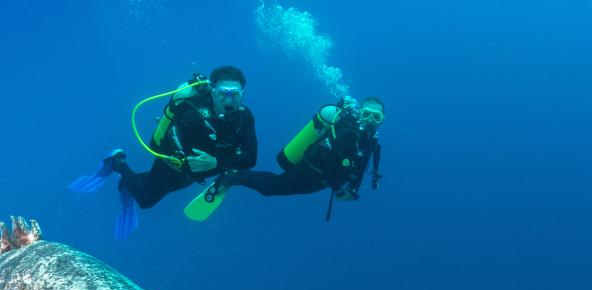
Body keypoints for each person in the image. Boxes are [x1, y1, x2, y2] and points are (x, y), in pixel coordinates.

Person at [70, 66, 258, 238]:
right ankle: (117, 162)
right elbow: (171, 139)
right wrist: (189, 160)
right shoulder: (193, 115)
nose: (229, 100)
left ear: (243, 92)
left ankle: (133, 181)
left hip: (199, 170)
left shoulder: (245, 117)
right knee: (146, 200)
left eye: (235, 94)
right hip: (173, 165)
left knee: (171, 183)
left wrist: (217, 163)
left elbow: (251, 158)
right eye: (222, 94)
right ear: (211, 90)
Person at [207, 96, 384, 220]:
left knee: (273, 184)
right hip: (312, 172)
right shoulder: (349, 133)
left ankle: (237, 175)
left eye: (376, 117)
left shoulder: (370, 141)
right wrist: (339, 190)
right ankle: (232, 177)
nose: (370, 120)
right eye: (366, 113)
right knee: (269, 187)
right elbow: (333, 168)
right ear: (359, 113)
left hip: (322, 179)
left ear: (382, 120)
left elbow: (361, 165)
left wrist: (353, 189)